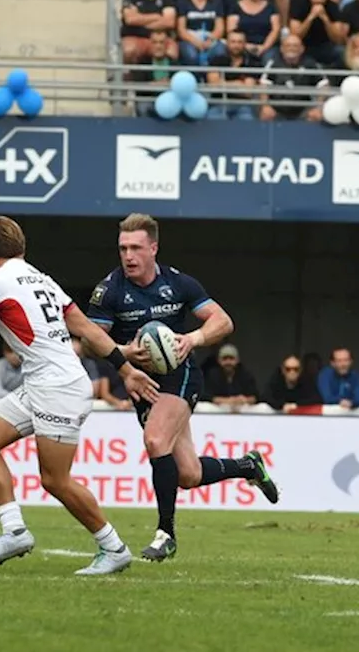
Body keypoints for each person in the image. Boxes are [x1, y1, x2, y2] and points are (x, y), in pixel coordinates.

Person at [0, 216, 159, 576]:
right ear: (22, 248)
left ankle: (113, 547)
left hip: (57, 388)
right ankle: (14, 530)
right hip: (43, 384)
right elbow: (87, 329)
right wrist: (124, 367)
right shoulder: (43, 280)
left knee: (55, 480)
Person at [88, 213, 279, 562]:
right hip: (141, 381)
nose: (128, 256)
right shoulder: (110, 290)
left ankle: (166, 534)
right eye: (122, 248)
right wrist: (125, 354)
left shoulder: (179, 284)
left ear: (153, 248)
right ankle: (248, 466)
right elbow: (90, 339)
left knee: (155, 441)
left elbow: (223, 322)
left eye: (135, 248)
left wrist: (193, 338)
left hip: (181, 375)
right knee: (188, 474)